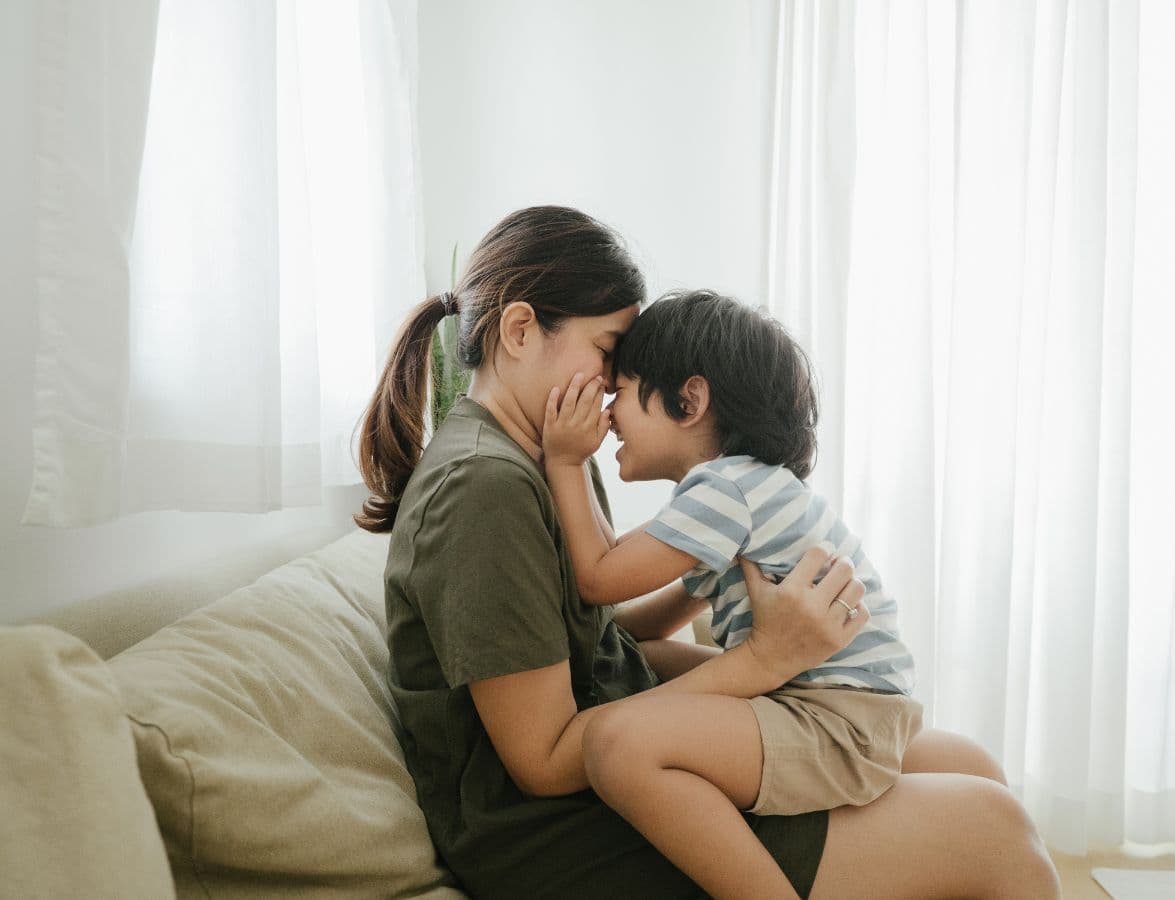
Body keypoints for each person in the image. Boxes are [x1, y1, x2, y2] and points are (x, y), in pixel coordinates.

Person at [357, 205, 1061, 899]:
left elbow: (578, 638)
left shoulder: (545, 456)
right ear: (519, 329)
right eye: (609, 353)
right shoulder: (485, 488)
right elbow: (541, 761)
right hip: (560, 828)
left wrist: (711, 574)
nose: (611, 387)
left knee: (968, 763)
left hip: (627, 746)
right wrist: (763, 660)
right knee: (998, 833)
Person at [542, 289, 926, 896]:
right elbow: (636, 625)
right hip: (853, 704)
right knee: (651, 661)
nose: (609, 413)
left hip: (836, 717)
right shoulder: (743, 490)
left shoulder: (723, 492)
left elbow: (597, 578)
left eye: (622, 392)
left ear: (689, 400)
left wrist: (563, 463)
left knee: (618, 749)